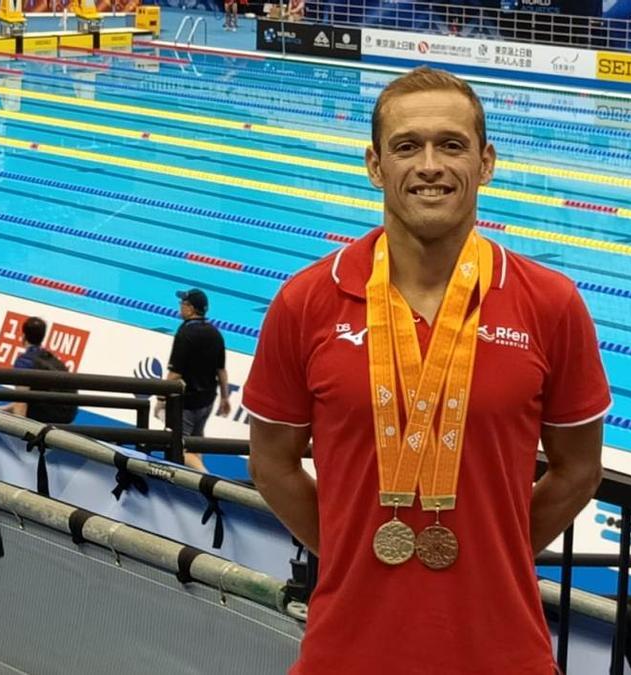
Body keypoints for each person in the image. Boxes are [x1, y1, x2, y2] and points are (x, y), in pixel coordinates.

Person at [243, 67, 611, 675]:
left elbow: (579, 469)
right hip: (346, 652)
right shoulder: (307, 301)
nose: (431, 165)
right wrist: (350, 554)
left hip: (503, 654)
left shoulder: (549, 303)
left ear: (485, 163)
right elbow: (271, 460)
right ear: (375, 165)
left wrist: (499, 555)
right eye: (407, 146)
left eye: (452, 144)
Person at [156, 288, 231, 471]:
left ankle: (206, 479)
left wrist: (160, 399)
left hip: (187, 403)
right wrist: (225, 397)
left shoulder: (185, 334)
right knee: (196, 442)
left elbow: (175, 374)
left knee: (179, 445)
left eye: (183, 303)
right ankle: (197, 484)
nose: (180, 307)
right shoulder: (215, 332)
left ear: (191, 308)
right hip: (207, 401)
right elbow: (221, 370)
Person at [0, 317, 78, 424]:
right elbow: (36, 400)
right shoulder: (55, 361)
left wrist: (18, 433)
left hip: (46, 418)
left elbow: (21, 402)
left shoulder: (25, 361)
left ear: (23, 336)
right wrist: (1, 410)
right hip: (66, 417)